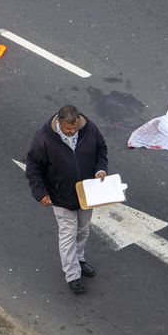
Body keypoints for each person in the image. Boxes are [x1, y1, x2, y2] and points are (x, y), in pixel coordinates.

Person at [26, 105, 108, 293]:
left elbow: (101, 150)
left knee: (83, 230)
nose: (71, 132)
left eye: (74, 128)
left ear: (78, 120)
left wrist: (100, 170)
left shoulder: (89, 129)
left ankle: (79, 259)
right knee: (68, 235)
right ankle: (73, 274)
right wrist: (40, 192)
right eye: (67, 129)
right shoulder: (44, 139)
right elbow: (33, 166)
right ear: (59, 122)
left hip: (87, 194)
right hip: (61, 196)